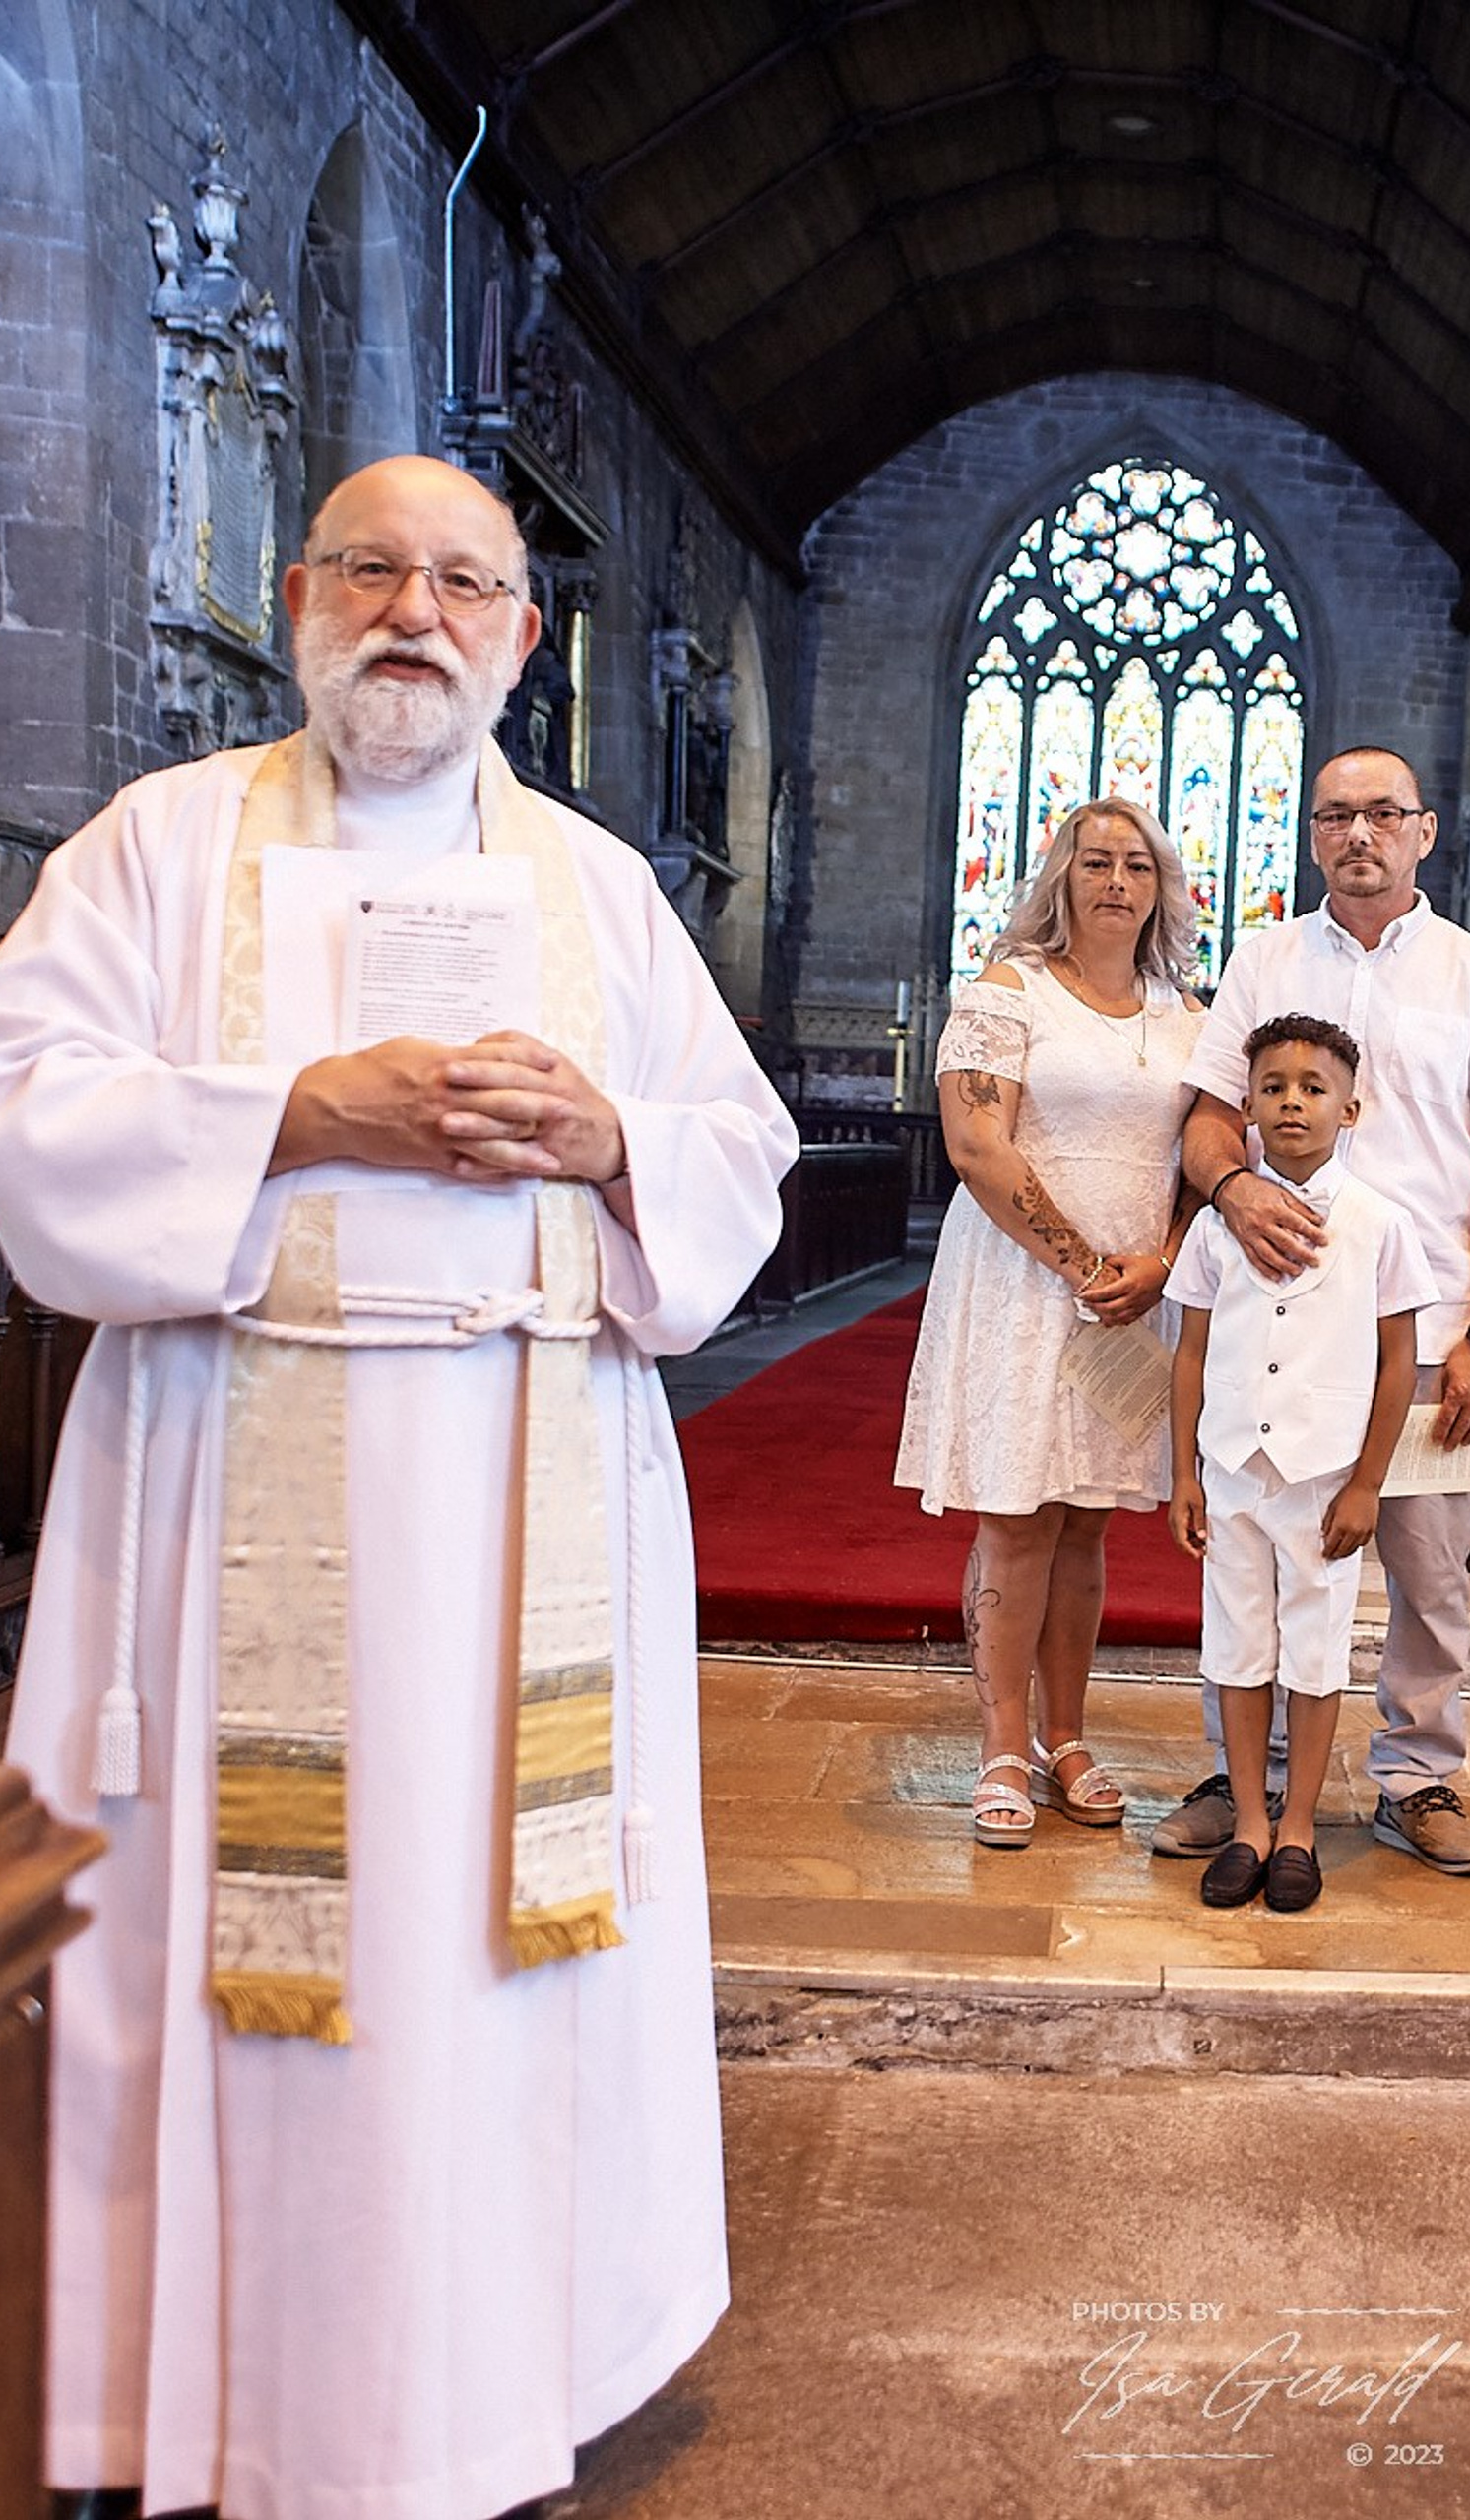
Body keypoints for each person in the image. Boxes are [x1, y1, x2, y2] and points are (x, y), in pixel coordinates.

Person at [0, 455, 798, 2516]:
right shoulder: (159, 847)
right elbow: (24, 1111)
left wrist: (612, 1138)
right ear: (298, 599)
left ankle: (498, 2379)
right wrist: (294, 1110)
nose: (413, 613)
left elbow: (739, 1147)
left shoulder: (598, 888)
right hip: (226, 1491)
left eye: (461, 581)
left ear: (523, 637)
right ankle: (213, 2402)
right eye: (370, 570)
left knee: (487, 1965)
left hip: (532, 1491)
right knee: (255, 1950)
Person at [1155, 745, 1470, 1875]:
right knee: (1257, 1568)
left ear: (1423, 831)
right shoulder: (1264, 960)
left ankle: (1415, 1777)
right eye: (1336, 816)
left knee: (1428, 1576)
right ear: (1313, 836)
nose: (1359, 833)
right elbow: (1205, 1123)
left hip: (1427, 1336)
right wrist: (1231, 1189)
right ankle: (1248, 1777)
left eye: (1383, 813)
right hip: (1273, 1334)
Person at [895, 797, 1204, 1846]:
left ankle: (1064, 1736)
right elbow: (977, 1145)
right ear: (1061, 878)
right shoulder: (1007, 991)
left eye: (1137, 866)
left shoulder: (1185, 1014)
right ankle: (1000, 1744)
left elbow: (1204, 1158)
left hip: (1134, 1293)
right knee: (1018, 1515)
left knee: (1086, 1519)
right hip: (1026, 1285)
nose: (1116, 882)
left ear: (1161, 889)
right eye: (1095, 862)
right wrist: (1082, 1265)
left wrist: (1160, 1261)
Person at [1165, 1018, 1435, 1912]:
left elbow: (1398, 1363)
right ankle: (1250, 1820)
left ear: (1350, 1109)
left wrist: (1367, 1483)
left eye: (1314, 1088)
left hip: (1323, 1484)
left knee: (1314, 1655)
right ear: (1246, 1105)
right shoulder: (1215, 1227)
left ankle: (1300, 1829)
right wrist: (1184, 1474)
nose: (1292, 1102)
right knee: (1238, 1649)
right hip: (1234, 1470)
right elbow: (1191, 1354)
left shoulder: (1381, 1225)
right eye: (1274, 1087)